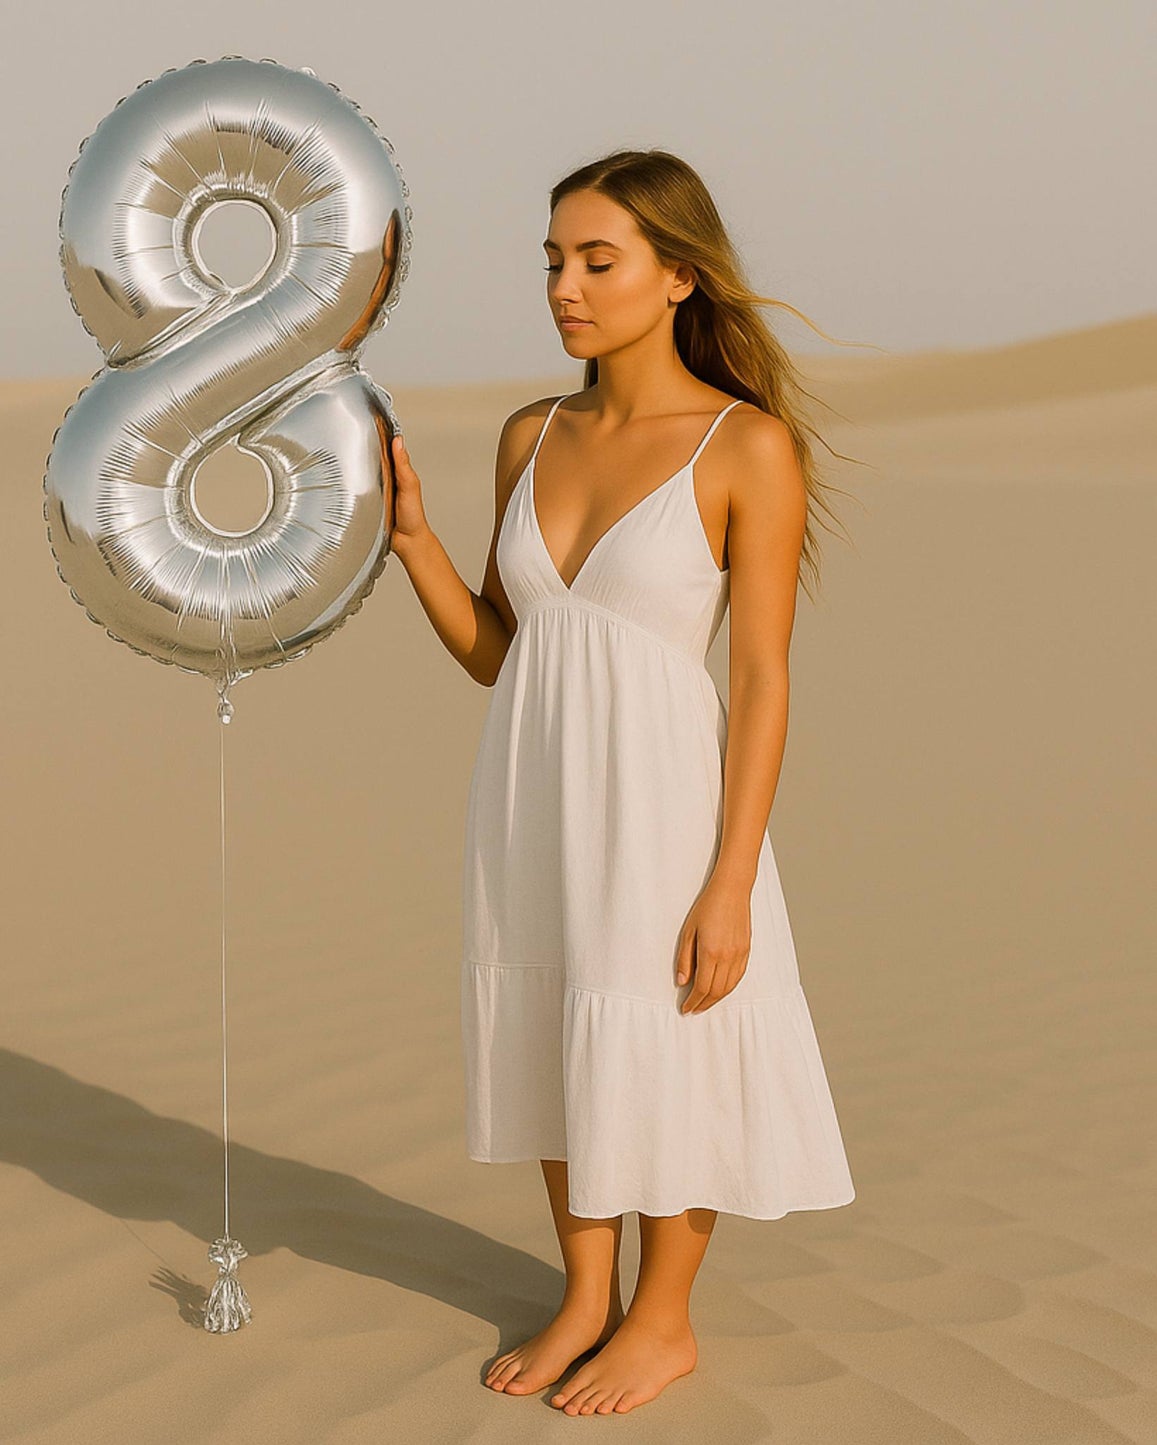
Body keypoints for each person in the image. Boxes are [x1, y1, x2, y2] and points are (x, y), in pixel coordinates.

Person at [388, 148, 857, 1417]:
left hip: (666, 809)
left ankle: (662, 1318)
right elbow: (503, 651)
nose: (564, 286)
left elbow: (759, 676)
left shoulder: (742, 445)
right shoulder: (529, 434)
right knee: (556, 1024)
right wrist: (416, 542)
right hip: (533, 796)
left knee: (666, 1044)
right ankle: (584, 1295)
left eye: (598, 261)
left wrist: (730, 879)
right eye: (553, 261)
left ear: (677, 276)